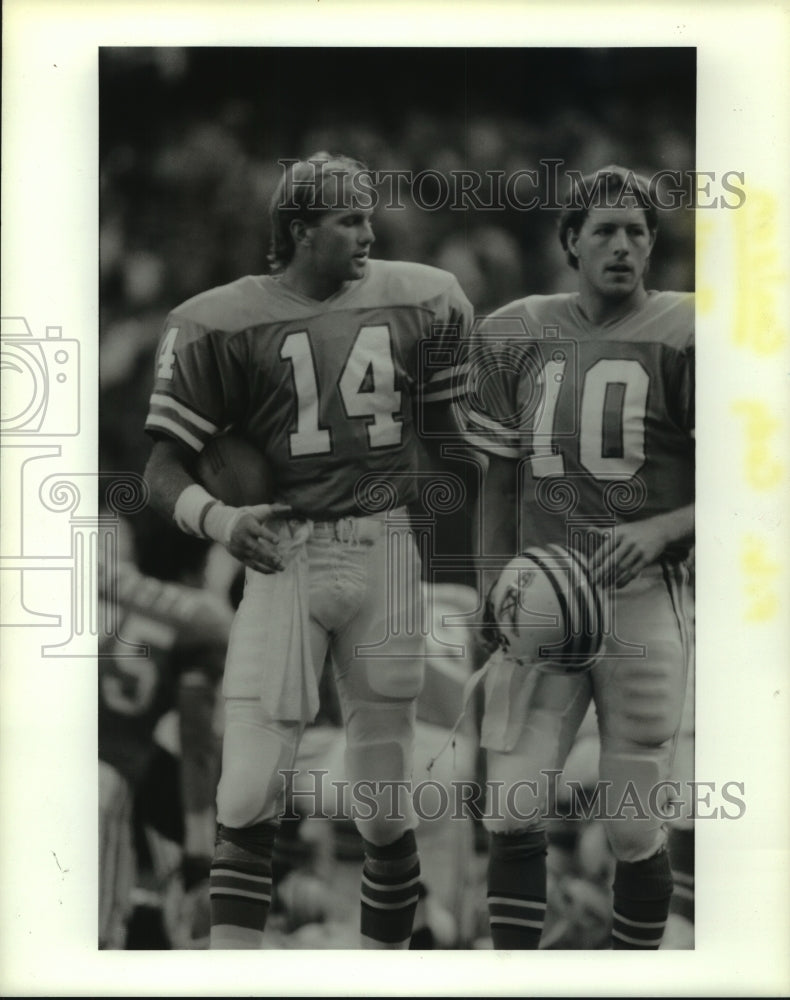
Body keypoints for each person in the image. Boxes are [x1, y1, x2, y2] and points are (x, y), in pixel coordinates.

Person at [143, 153, 473, 949]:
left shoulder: (423, 298)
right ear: (298, 230)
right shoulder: (219, 319)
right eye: (349, 219)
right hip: (282, 553)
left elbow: (457, 446)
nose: (370, 232)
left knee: (387, 800)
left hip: (387, 550)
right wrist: (223, 522)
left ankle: (382, 966)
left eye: (369, 215)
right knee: (248, 788)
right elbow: (159, 472)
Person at [463, 165, 694, 949]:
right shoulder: (518, 330)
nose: (623, 246)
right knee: (512, 804)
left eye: (637, 232)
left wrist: (662, 530)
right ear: (571, 242)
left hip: (642, 597)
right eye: (605, 230)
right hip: (543, 596)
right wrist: (491, 581)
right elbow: (498, 478)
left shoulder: (690, 331)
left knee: (633, 827)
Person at [98, 518, 232, 949]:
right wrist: (199, 853)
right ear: (199, 563)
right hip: (102, 779)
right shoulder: (204, 619)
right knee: (96, 943)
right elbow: (198, 748)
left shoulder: (95, 576)